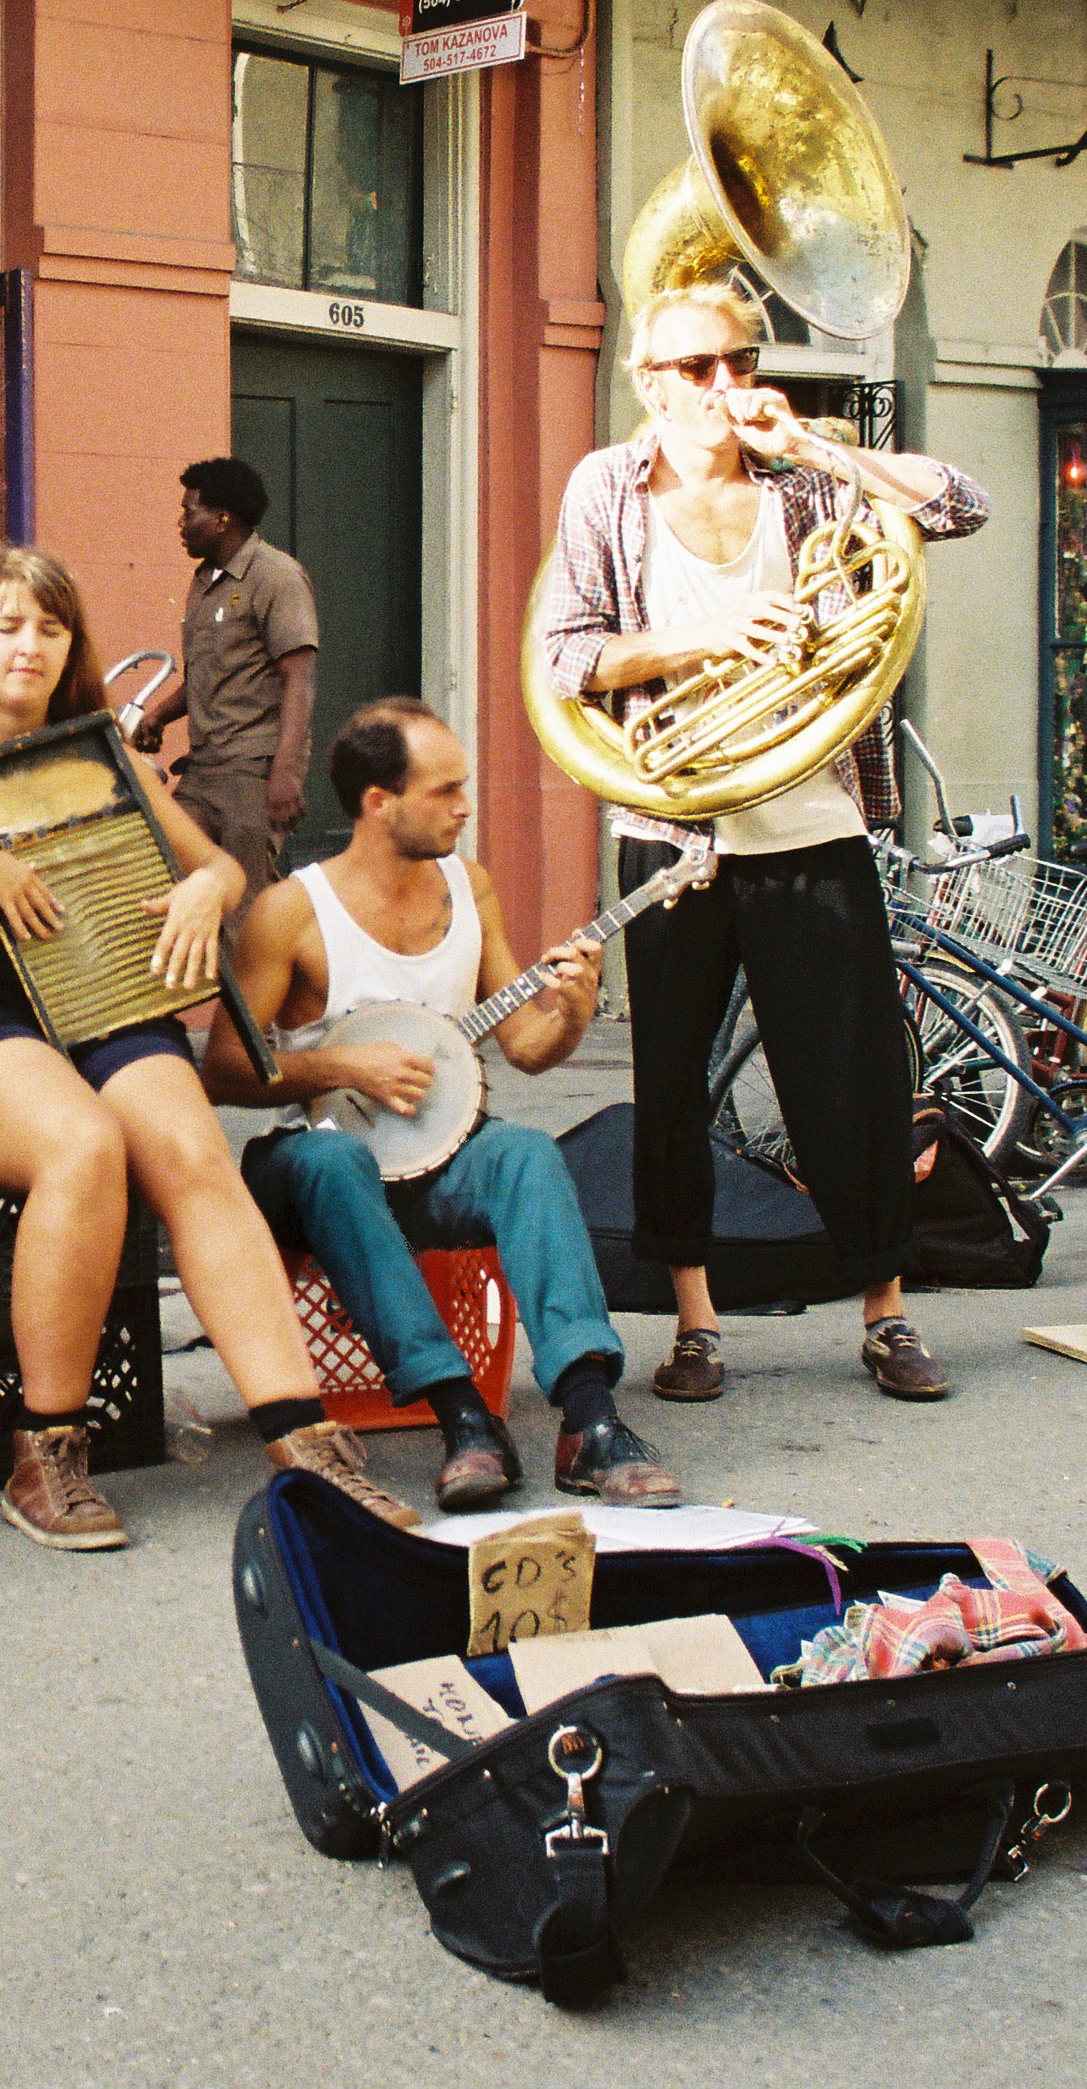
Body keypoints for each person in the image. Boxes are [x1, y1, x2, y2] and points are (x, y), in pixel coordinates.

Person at [0, 544, 416, 1551]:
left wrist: (201, 890)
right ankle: (46, 1448)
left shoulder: (106, 754)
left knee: (190, 1153)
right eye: (6, 624)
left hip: (100, 998)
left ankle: (297, 1432)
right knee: (82, 1145)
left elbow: (226, 872)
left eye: (47, 628)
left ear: (69, 645)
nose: (27, 645)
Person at [534, 282, 989, 1406]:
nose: (725, 386)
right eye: (697, 368)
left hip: (810, 820)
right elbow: (565, 656)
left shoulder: (802, 475)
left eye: (739, 360)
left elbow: (963, 506)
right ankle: (694, 1322)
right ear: (649, 380)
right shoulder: (607, 486)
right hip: (677, 828)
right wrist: (705, 636)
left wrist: (828, 456)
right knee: (674, 1083)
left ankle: (884, 1312)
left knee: (853, 1078)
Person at [206, 701, 682, 1512]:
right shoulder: (294, 910)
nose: (466, 805)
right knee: (329, 1159)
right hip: (313, 1165)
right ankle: (462, 1415)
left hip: (439, 1156)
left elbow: (526, 1047)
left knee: (526, 1154)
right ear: (377, 803)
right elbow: (220, 1068)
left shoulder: (470, 887)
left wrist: (571, 1004)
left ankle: (590, 1419)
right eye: (445, 789)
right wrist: (338, 1061)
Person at [129, 455, 316, 899]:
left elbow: (300, 680)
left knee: (242, 909)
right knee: (165, 871)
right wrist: (158, 716)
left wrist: (285, 774)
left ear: (221, 518)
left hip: (252, 773)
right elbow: (211, 675)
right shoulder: (205, 582)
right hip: (203, 771)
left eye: (189, 510)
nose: (181, 521)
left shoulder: (276, 576)